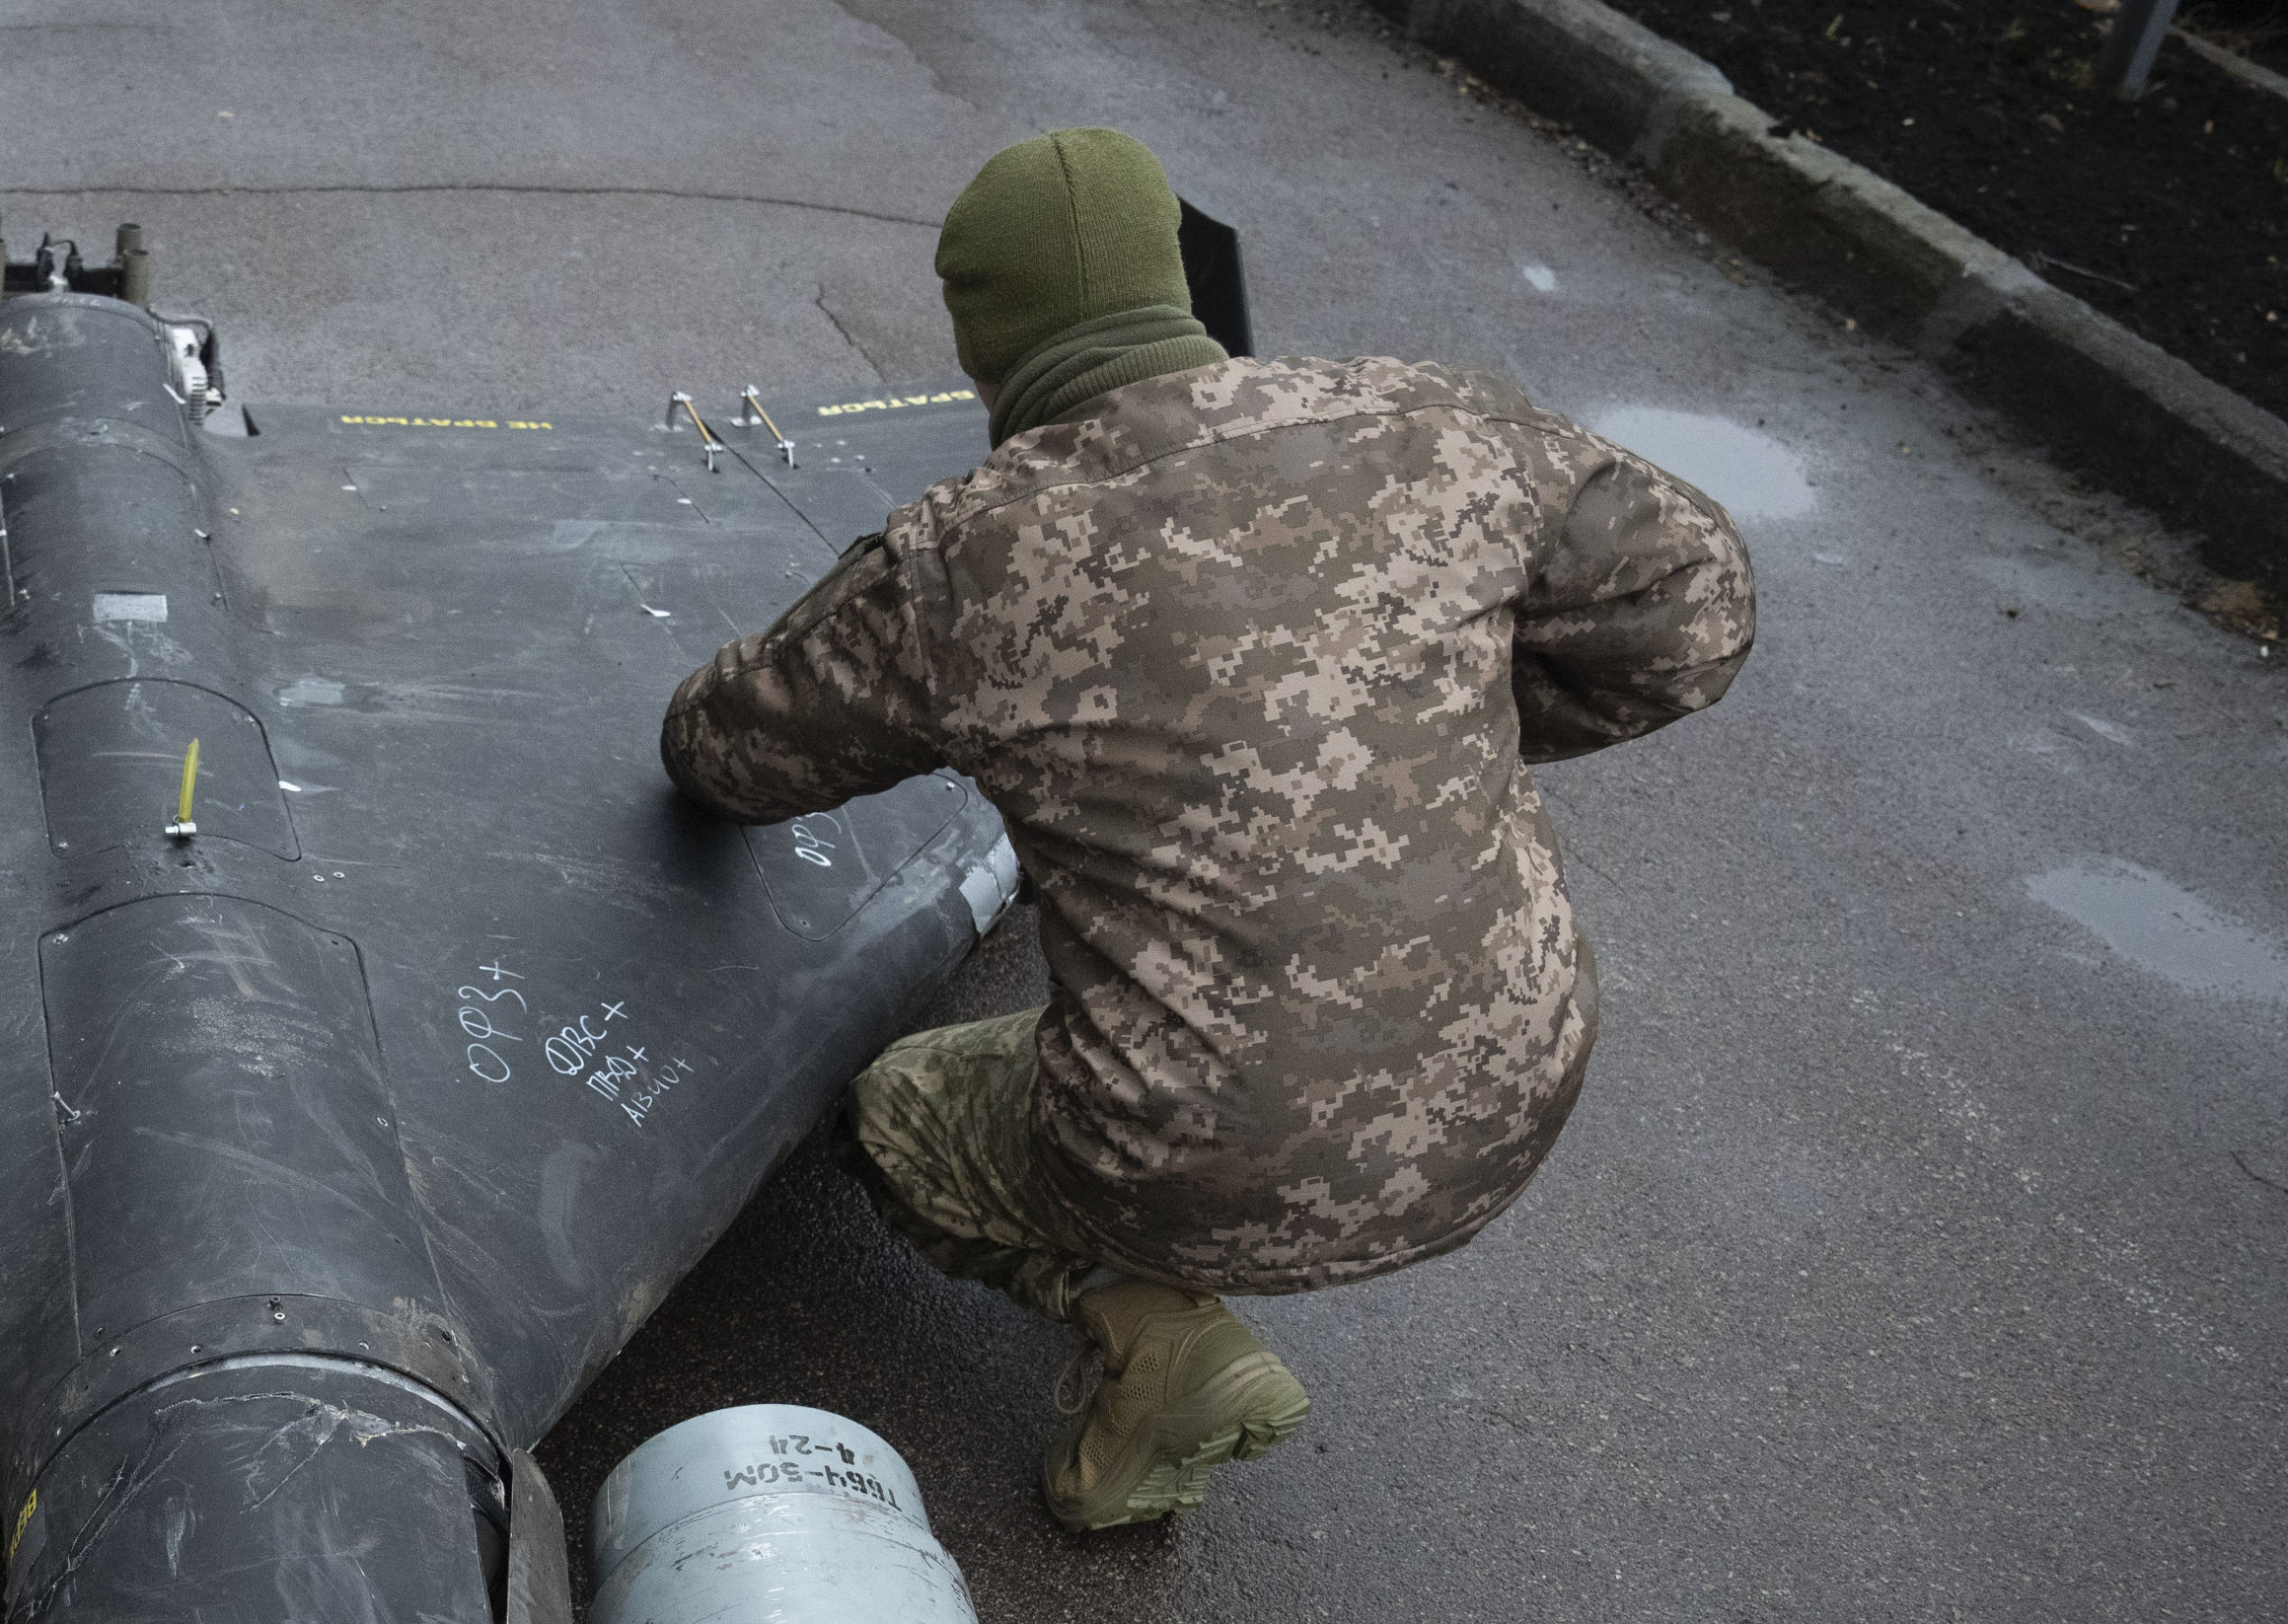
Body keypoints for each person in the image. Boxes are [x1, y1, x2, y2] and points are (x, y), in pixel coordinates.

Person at [664, 128, 1757, 1530]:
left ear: (984, 351)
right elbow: (1700, 611)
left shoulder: (969, 555)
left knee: (897, 1119)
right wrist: (1435, 714)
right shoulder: (1429, 421)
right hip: (1522, 1092)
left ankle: (1148, 1324)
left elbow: (725, 752)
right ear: (1174, 288)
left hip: (1192, 1155)